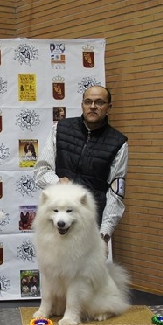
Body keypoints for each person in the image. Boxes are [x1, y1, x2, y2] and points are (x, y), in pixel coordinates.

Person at [34, 85, 128, 244]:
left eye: (99, 102)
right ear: (82, 105)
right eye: (88, 102)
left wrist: (105, 232)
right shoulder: (61, 129)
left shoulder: (118, 143)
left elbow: (115, 194)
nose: (93, 106)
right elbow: (41, 171)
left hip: (90, 227)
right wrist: (57, 183)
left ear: (109, 107)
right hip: (56, 224)